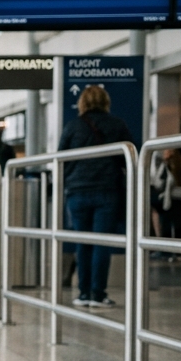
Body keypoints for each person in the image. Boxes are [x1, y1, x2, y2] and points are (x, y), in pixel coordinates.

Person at [59, 84, 130, 308]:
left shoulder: (73, 126)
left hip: (77, 191)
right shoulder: (117, 125)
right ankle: (98, 294)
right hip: (106, 191)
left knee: (83, 241)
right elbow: (130, 155)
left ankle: (83, 293)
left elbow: (61, 158)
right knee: (102, 242)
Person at [153, 149, 181, 260]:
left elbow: (158, 182)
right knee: (180, 227)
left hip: (171, 200)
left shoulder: (167, 168)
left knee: (167, 226)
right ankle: (180, 252)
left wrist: (164, 163)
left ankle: (166, 252)